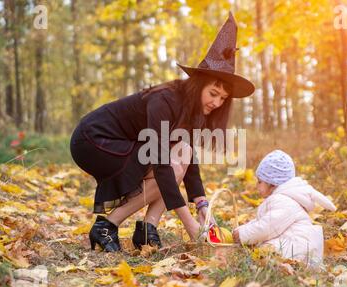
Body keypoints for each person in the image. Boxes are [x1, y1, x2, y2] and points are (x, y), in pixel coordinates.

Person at [69, 12, 255, 252]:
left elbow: (190, 162)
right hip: (92, 141)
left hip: (124, 143)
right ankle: (107, 225)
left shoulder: (194, 110)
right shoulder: (165, 100)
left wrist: (202, 206)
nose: (217, 103)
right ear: (199, 84)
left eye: (223, 98)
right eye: (213, 93)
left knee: (184, 153)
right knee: (168, 167)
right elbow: (159, 161)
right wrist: (189, 223)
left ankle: (148, 229)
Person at [232, 150, 337, 267]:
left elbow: (268, 227)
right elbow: (263, 221)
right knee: (261, 251)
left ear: (272, 183)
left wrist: (243, 234)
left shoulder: (284, 201)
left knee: (265, 252)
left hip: (297, 249)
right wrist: (244, 229)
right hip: (292, 243)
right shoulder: (282, 199)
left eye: (260, 182)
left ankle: (281, 265)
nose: (257, 186)